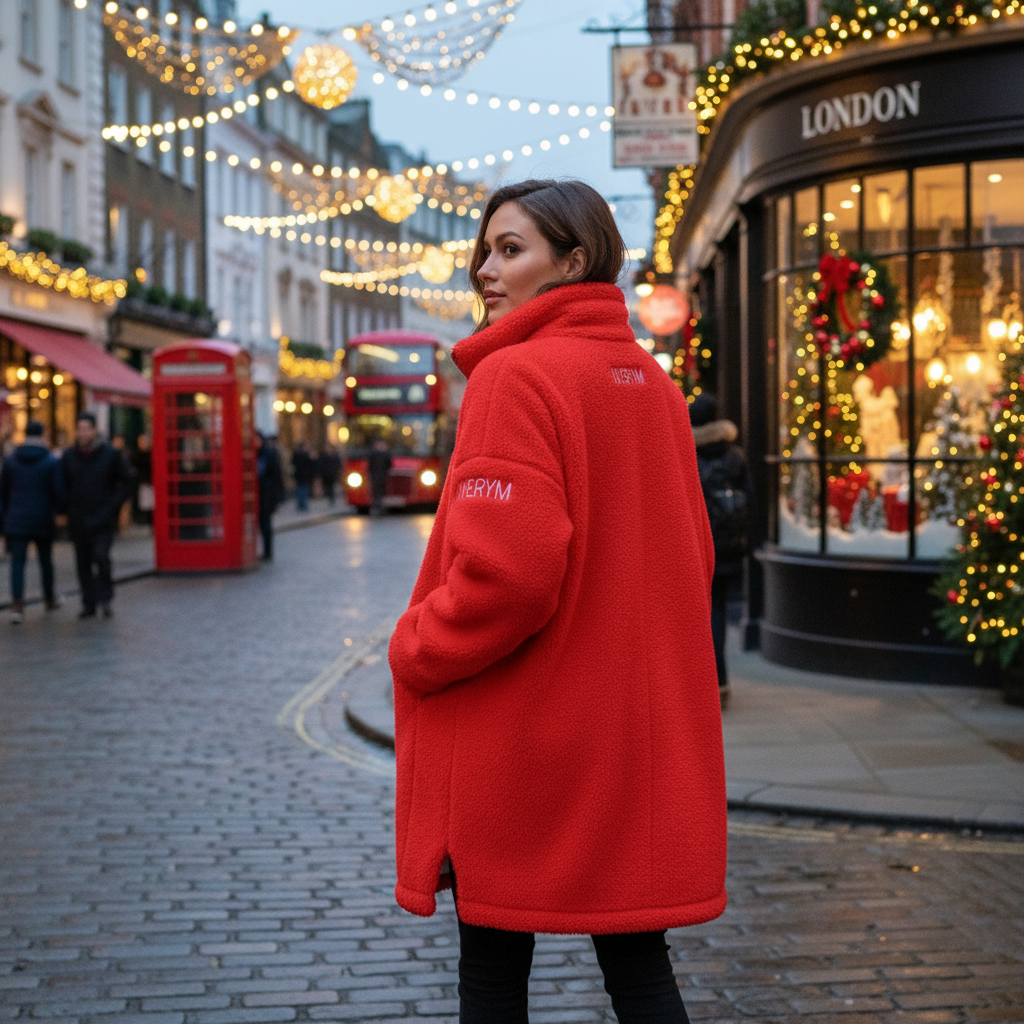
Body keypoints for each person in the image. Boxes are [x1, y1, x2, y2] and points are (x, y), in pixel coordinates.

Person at [388, 180, 726, 1024]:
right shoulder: (654, 385)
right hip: (628, 738)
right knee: (641, 971)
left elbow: (507, 576)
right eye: (485, 250)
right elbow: (696, 555)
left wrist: (415, 644)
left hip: (524, 739)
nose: (484, 272)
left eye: (511, 250)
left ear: (573, 261)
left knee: (494, 973)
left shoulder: (514, 375)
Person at [689, 393, 751, 707]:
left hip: (699, 545)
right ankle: (720, 681)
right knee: (720, 611)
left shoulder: (687, 454)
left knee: (703, 614)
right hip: (731, 545)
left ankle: (710, 683)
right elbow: (751, 499)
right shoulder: (735, 456)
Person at [60, 412, 132, 619]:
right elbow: (62, 485)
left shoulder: (109, 454)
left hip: (103, 518)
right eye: (79, 429)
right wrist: (64, 510)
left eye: (86, 429)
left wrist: (113, 506)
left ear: (94, 430)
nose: (82, 433)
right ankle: (88, 603)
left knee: (101, 558)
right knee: (82, 563)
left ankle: (105, 598)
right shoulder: (69, 456)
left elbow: (127, 482)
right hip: (79, 518)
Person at [0, 421, 61, 622]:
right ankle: (49, 598)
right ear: (42, 435)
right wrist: (59, 512)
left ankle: (17, 605)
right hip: (42, 518)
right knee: (45, 561)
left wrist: (6, 516)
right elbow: (57, 491)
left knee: (17, 563)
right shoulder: (51, 461)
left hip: (16, 518)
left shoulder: (11, 460)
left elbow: (4, 492)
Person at [256, 433, 285, 561]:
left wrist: (277, 497)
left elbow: (276, 476)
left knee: (266, 525)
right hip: (254, 497)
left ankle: (268, 551)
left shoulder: (269, 454)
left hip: (266, 496)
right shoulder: (251, 453)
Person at [366, 438, 392, 516]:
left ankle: (377, 506)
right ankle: (379, 507)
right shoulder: (385, 454)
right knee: (380, 491)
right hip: (381, 476)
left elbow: (369, 466)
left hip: (375, 476)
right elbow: (389, 465)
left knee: (376, 492)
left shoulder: (372, 454)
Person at [291, 440, 315, 512]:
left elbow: (293, 463)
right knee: (304, 490)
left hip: (298, 475)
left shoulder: (296, 454)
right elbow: (310, 464)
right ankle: (303, 505)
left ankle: (300, 504)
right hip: (304, 475)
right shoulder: (306, 455)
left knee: (299, 490)